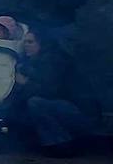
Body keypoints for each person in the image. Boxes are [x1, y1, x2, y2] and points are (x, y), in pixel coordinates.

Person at [14, 26, 101, 156]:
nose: (26, 45)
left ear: (42, 44)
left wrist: (25, 83)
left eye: (30, 42)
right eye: (25, 42)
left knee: (36, 103)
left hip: (81, 112)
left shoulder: (56, 61)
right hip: (65, 108)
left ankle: (61, 144)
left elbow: (51, 91)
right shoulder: (32, 62)